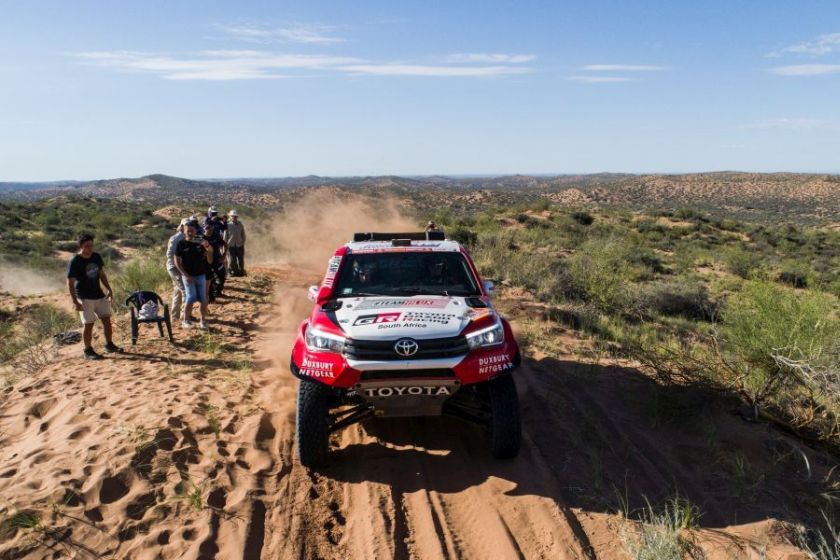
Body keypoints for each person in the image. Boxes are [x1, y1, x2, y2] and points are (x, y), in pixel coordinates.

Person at [66, 233, 123, 360]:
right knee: (89, 324)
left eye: (91, 245)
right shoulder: (75, 261)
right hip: (84, 296)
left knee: (107, 320)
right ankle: (88, 350)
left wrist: (109, 289)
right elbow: (70, 282)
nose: (90, 248)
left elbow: (102, 274)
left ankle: (109, 344)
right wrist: (75, 301)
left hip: (98, 294)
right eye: (87, 246)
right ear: (81, 246)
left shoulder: (96, 257)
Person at [174, 223, 213, 330]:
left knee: (203, 299)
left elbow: (210, 256)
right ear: (184, 231)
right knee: (190, 298)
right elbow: (177, 261)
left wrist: (208, 247)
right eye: (188, 230)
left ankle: (203, 321)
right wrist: (185, 275)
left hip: (201, 274)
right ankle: (186, 321)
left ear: (196, 231)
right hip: (188, 276)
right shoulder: (181, 244)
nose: (190, 232)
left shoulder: (200, 241)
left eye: (192, 230)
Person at [165, 219, 189, 322]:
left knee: (178, 290)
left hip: (180, 267)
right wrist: (180, 261)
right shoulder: (176, 238)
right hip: (174, 268)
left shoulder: (186, 237)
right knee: (185, 290)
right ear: (182, 226)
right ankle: (185, 317)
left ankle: (175, 316)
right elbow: (169, 255)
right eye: (186, 225)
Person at [202, 220, 227, 302]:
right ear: (203, 227)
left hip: (217, 260)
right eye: (206, 227)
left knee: (222, 277)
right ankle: (210, 298)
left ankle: (218, 292)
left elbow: (225, 244)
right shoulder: (200, 238)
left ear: (213, 227)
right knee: (209, 280)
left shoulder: (216, 235)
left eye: (210, 227)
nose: (208, 229)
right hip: (206, 263)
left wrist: (224, 256)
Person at [224, 209, 246, 277]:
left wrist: (242, 242)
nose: (234, 217)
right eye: (233, 216)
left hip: (239, 245)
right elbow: (225, 236)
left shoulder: (240, 224)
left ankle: (241, 272)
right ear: (230, 217)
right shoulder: (227, 225)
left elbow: (243, 234)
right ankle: (232, 272)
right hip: (231, 245)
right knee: (232, 260)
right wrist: (225, 244)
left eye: (235, 216)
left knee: (241, 259)